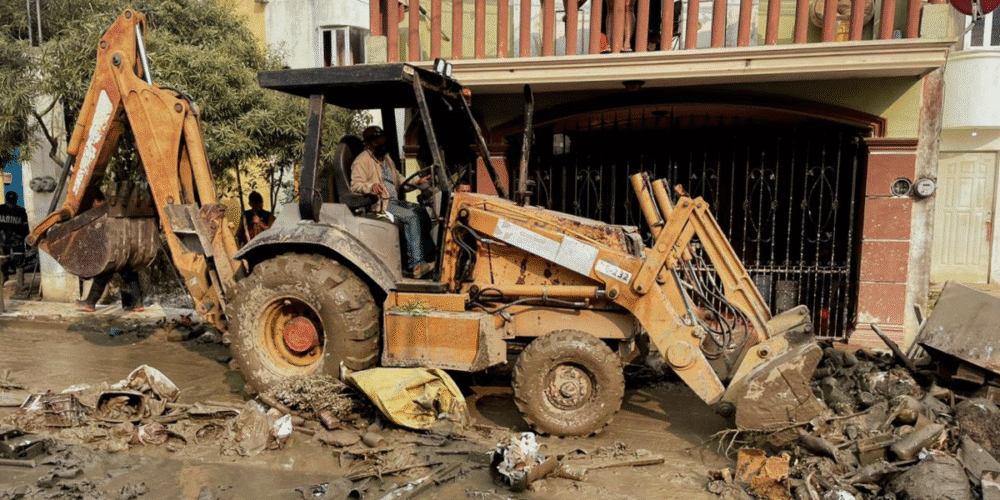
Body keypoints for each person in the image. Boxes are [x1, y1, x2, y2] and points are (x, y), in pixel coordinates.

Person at [350, 126, 434, 278]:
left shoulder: (386, 159)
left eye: (382, 140)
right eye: (378, 142)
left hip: (396, 202)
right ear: (369, 144)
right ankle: (417, 265)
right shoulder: (361, 161)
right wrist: (371, 187)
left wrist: (418, 181)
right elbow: (355, 185)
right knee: (411, 217)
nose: (382, 144)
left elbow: (400, 179)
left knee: (422, 212)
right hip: (382, 205)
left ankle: (428, 257)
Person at [76, 191, 145, 313]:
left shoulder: (103, 211)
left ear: (97, 201)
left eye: (93, 203)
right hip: (126, 248)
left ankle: (90, 303)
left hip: (113, 250)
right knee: (130, 275)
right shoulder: (115, 208)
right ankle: (138, 304)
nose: (92, 206)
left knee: (102, 275)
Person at [0, 191, 29, 278]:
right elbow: (25, 229)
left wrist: (27, 242)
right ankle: (5, 283)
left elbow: (25, 228)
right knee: (4, 262)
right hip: (5, 240)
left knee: (17, 263)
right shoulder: (20, 211)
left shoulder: (21, 211)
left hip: (15, 240)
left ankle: (18, 286)